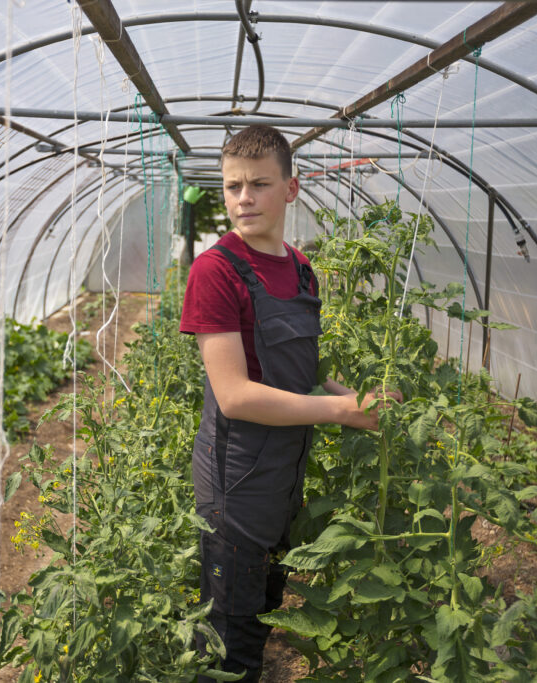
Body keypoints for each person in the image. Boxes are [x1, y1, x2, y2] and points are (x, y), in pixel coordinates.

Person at [179, 125, 401, 682]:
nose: (243, 199)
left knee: (260, 611)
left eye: (258, 184)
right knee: (231, 644)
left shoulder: (301, 268)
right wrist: (340, 413)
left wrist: (352, 395)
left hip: (283, 474)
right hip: (236, 483)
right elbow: (234, 396)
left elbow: (307, 365)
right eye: (232, 187)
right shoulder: (215, 271)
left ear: (291, 189)